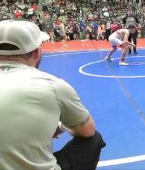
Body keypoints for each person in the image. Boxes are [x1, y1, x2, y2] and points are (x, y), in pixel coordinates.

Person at [0, 20, 105, 170]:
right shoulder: (53, 85)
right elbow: (88, 131)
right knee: (94, 139)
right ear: (37, 51)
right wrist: (59, 125)